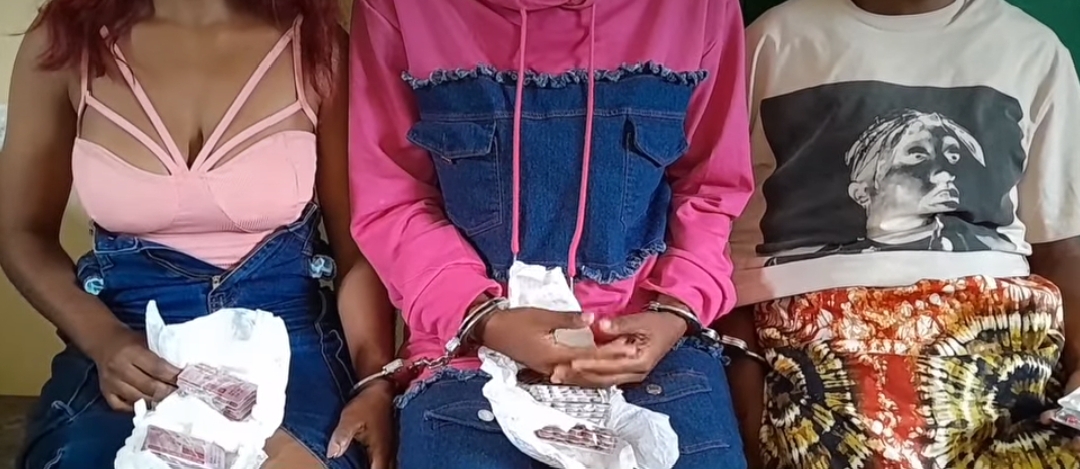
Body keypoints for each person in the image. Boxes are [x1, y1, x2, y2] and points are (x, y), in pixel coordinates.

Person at [343, 0, 754, 468]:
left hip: (653, 346)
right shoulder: (402, 9)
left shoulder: (699, 9)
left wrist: (676, 310)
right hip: (467, 350)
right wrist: (484, 318)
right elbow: (393, 198)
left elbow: (712, 188)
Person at [0, 1, 395, 468]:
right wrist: (102, 339)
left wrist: (375, 383)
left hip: (285, 339)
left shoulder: (316, 44)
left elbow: (359, 250)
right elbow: (20, 232)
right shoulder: (66, 40)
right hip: (126, 337)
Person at [722, 0, 1080, 467]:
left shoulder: (1030, 50)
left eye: (952, 158)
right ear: (863, 188)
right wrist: (746, 404)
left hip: (1004, 362)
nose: (943, 173)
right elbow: (724, 243)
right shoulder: (775, 40)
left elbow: (1062, 247)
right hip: (819, 358)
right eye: (917, 157)